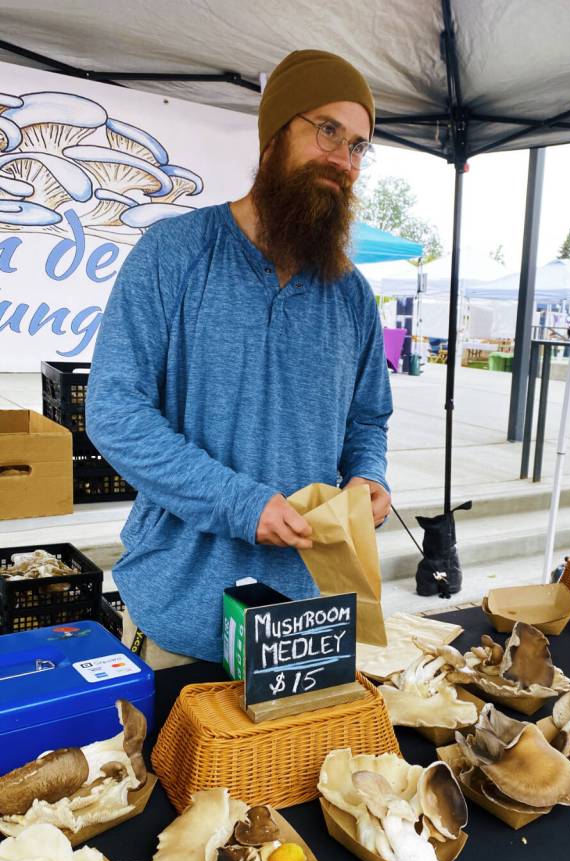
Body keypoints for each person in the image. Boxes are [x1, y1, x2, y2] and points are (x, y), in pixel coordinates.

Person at [86, 50, 393, 667]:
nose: (344, 160)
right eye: (328, 131)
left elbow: (367, 418)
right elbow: (115, 410)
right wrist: (241, 504)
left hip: (300, 627)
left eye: (359, 146)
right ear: (276, 132)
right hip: (180, 621)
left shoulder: (352, 294)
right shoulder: (174, 253)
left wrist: (369, 476)